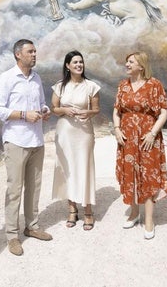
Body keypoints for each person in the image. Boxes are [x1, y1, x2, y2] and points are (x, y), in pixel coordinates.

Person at [0, 39, 52, 256]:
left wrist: (44, 110)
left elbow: (42, 102)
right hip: (16, 141)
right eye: (30, 51)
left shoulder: (36, 78)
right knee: (15, 189)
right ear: (18, 55)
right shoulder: (7, 78)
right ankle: (12, 236)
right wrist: (25, 115)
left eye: (35, 51)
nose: (35, 55)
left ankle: (32, 226)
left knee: (34, 187)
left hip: (37, 140)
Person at [113, 51, 167, 239]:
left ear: (141, 66)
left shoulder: (154, 85)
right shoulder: (123, 85)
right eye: (127, 61)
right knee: (130, 173)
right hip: (127, 137)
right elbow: (116, 111)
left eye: (131, 62)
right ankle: (134, 212)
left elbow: (163, 113)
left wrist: (153, 133)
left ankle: (149, 220)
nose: (127, 64)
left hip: (148, 137)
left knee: (148, 175)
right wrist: (117, 129)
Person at [51, 50, 100, 231]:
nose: (79, 65)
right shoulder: (59, 87)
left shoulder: (91, 86)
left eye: (81, 62)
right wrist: (64, 110)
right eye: (75, 62)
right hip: (65, 133)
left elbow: (96, 109)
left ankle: (88, 210)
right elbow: (54, 108)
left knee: (85, 168)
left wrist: (88, 112)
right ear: (67, 66)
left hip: (84, 133)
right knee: (68, 169)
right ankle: (72, 209)